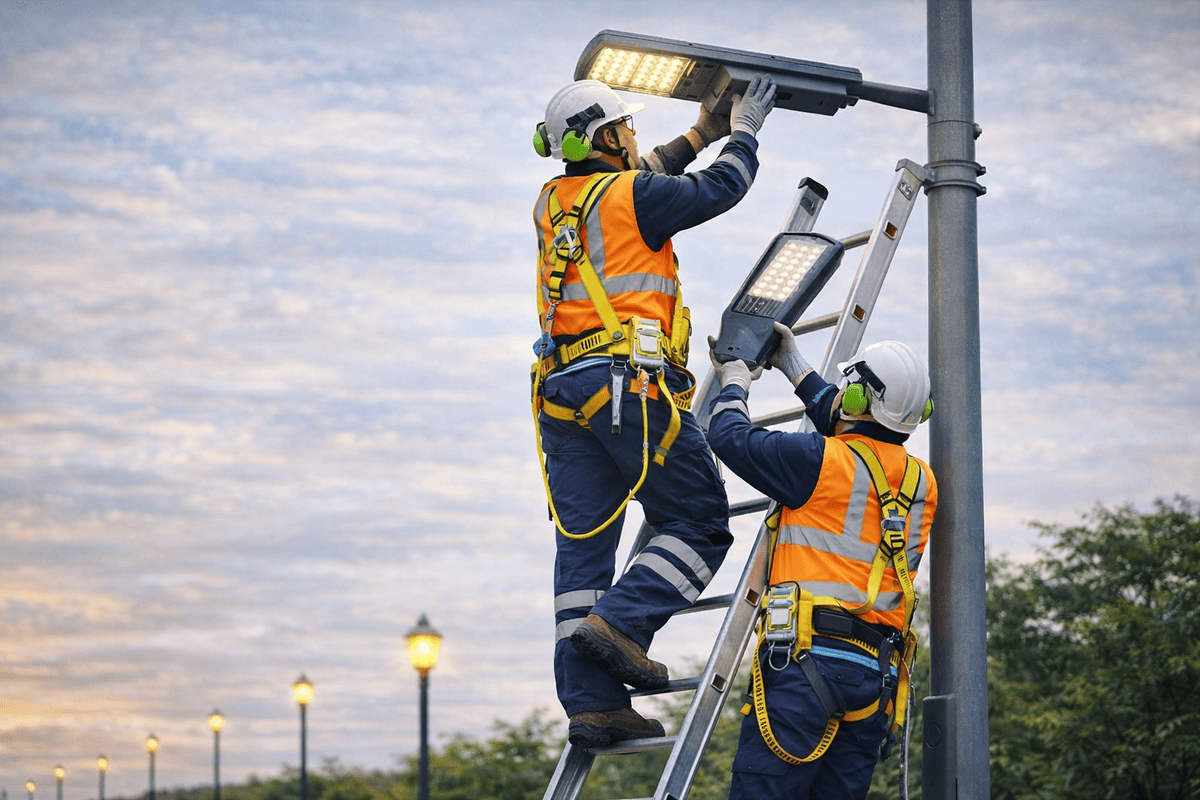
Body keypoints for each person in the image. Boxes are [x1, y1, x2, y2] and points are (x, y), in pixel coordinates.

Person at [530, 75, 778, 748]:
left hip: (564, 397)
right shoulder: (633, 197)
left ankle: (592, 706)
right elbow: (718, 189)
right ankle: (623, 624)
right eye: (627, 128)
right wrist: (744, 131)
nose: (635, 137)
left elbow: (641, 178)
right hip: (628, 390)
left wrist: (701, 131)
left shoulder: (554, 202)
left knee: (583, 555)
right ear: (608, 137)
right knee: (699, 522)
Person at [705, 322, 938, 800]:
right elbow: (857, 429)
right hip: (875, 677)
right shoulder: (922, 483)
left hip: (803, 666)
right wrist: (793, 365)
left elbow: (727, 436)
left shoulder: (817, 460)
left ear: (857, 399)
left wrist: (735, 381)